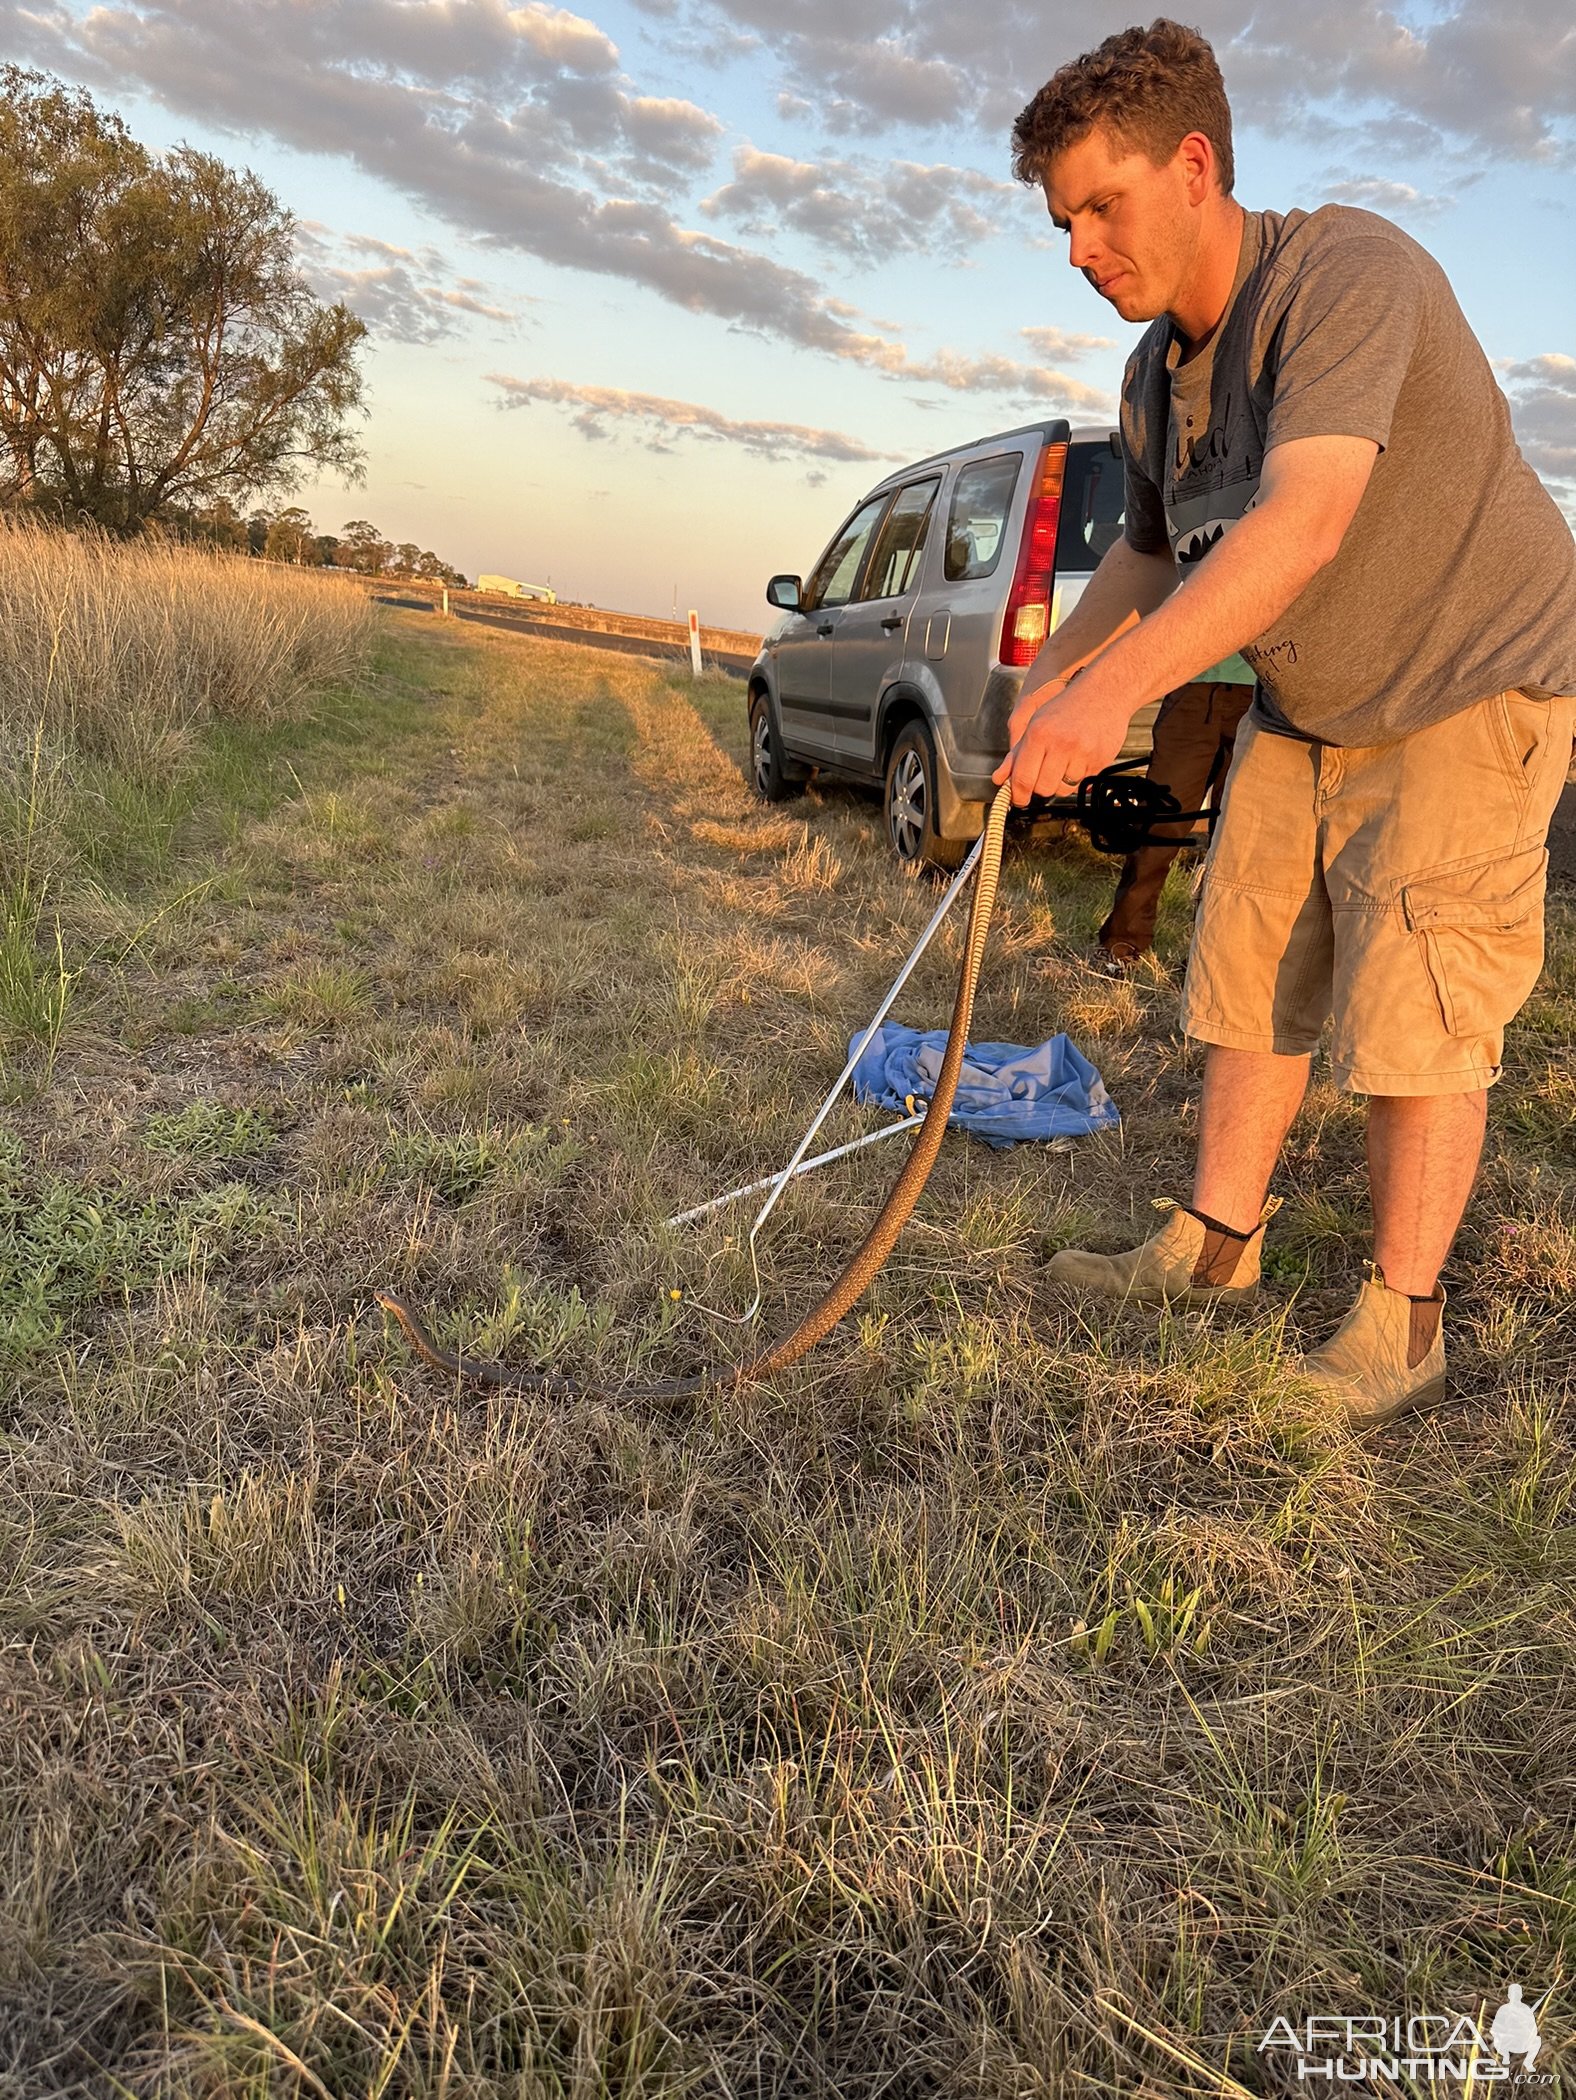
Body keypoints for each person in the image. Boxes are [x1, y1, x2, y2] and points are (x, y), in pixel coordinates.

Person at [995, 19, 1576, 1427]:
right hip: (1310, 698)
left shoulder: (1346, 275)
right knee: (1247, 957)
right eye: (1063, 219)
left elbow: (1302, 520)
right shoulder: (1153, 375)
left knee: (1415, 1007)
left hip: (1469, 675)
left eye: (1101, 206)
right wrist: (1046, 687)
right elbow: (1146, 552)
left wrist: (1115, 705)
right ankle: (1212, 1248)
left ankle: (1404, 1322)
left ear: (1194, 166)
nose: (1078, 246)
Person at [1096, 666, 1254, 966]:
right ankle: (1123, 942)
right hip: (1191, 688)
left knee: (1238, 835)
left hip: (1262, 693)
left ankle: (1217, 957)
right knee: (1157, 826)